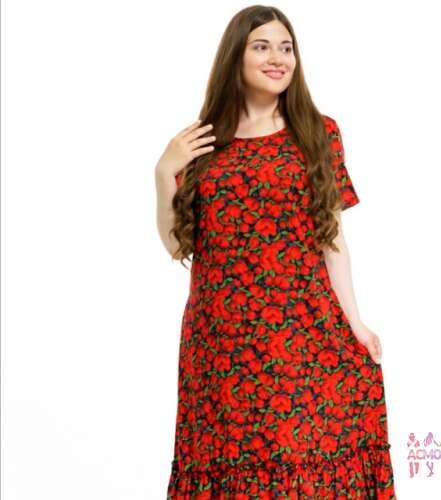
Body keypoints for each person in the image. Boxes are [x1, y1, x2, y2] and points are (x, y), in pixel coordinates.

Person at [155, 5, 397, 499]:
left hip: (303, 330)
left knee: (301, 464)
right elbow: (180, 245)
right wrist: (163, 174)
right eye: (262, 47)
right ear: (235, 58)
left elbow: (332, 239)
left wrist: (355, 322)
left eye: (286, 48)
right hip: (221, 341)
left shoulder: (318, 132)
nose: (278, 58)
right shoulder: (202, 143)